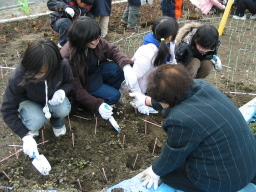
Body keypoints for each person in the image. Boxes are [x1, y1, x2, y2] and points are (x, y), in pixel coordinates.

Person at [129, 64, 256, 192]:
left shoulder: (181, 120)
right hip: (250, 162)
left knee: (168, 174)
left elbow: (173, 154)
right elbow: (173, 97)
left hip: (226, 181)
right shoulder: (202, 86)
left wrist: (155, 171)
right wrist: (146, 101)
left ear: (165, 100)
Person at [1, 39, 74, 159]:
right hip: (30, 102)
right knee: (35, 121)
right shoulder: (18, 77)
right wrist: (24, 135)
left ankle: (57, 121)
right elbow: (7, 111)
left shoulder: (62, 66)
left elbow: (69, 82)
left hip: (52, 100)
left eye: (41, 73)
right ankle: (32, 127)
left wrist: (62, 91)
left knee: (64, 108)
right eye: (34, 72)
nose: (36, 76)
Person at [60, 16, 137, 120]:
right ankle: (85, 106)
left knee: (118, 70)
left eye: (98, 37)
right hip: (83, 83)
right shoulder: (68, 57)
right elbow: (76, 89)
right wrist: (97, 105)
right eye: (94, 39)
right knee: (114, 96)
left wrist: (126, 65)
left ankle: (103, 94)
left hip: (93, 72)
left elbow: (113, 51)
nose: (97, 41)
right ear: (82, 39)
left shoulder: (96, 40)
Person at [130, 16, 178, 115]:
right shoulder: (147, 53)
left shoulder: (170, 44)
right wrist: (141, 99)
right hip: (146, 87)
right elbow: (132, 79)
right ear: (170, 37)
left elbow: (173, 62)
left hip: (158, 80)